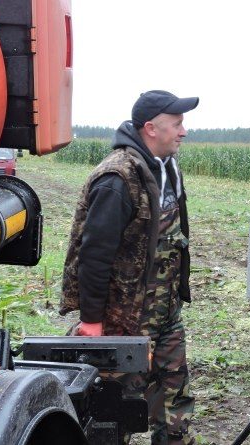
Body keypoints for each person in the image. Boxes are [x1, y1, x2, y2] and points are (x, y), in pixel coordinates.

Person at [60, 90, 197, 445]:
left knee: (174, 397)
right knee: (117, 405)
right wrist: (92, 319)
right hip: (126, 319)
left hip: (166, 313)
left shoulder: (166, 166)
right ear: (151, 128)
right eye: (177, 124)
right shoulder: (117, 178)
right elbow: (94, 254)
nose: (184, 131)